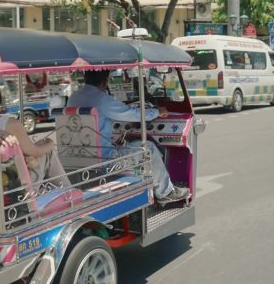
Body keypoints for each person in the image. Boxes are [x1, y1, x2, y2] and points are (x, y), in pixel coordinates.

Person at [67, 70, 190, 204]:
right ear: (105, 81)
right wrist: (157, 112)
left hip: (78, 158)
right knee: (149, 148)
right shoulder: (102, 99)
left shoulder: (74, 97)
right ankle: (165, 192)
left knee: (127, 146)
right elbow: (132, 114)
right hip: (105, 161)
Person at [0, 73, 70, 187]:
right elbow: (35, 151)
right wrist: (51, 144)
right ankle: (69, 193)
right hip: (13, 186)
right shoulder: (10, 124)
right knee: (47, 151)